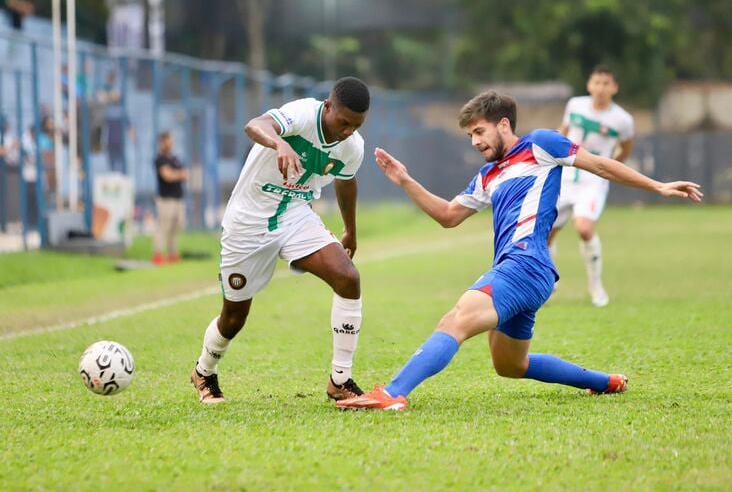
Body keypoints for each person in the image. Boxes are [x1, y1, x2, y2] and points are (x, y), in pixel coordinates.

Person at [336, 91, 701, 411]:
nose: (475, 141)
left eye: (479, 131)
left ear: (503, 124)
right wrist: (405, 180)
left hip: (524, 264)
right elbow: (448, 216)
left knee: (455, 321)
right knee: (510, 365)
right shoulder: (488, 175)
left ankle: (394, 393)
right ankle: (605, 381)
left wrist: (659, 186)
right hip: (527, 272)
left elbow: (601, 165)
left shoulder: (542, 144)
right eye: (470, 135)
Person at [190, 77, 370, 405]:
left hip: (294, 215)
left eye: (355, 126)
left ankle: (340, 381)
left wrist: (350, 230)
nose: (347, 131)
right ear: (328, 107)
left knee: (347, 277)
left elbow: (346, 182)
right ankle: (204, 370)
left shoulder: (353, 146)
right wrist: (279, 143)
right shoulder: (301, 114)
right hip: (247, 221)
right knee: (234, 317)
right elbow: (255, 124)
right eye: (343, 122)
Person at [549, 65, 635, 306]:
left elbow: (626, 148)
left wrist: (609, 169)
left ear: (614, 88)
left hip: (592, 180)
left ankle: (596, 286)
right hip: (566, 177)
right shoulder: (575, 105)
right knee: (544, 234)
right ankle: (548, 283)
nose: (601, 88)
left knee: (584, 229)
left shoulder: (622, 119)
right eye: (597, 82)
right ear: (589, 85)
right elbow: (562, 133)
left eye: (606, 83)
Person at [153, 131, 187, 265]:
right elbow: (167, 176)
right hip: (166, 199)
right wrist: (177, 174)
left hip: (178, 197)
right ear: (162, 142)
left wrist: (176, 174)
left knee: (175, 227)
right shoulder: (160, 159)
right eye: (168, 140)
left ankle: (173, 253)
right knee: (163, 227)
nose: (170, 143)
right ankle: (158, 254)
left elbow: (184, 174)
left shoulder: (175, 159)